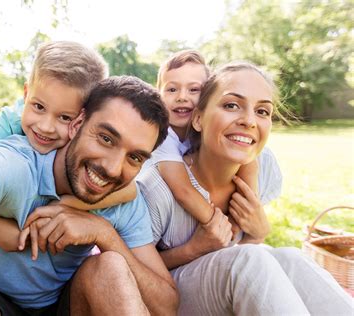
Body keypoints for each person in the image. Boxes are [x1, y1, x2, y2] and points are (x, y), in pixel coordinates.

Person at [0, 76, 179, 315]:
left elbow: (166, 305)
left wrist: (105, 235)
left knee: (111, 267)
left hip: (67, 304)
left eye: (135, 157)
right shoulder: (18, 164)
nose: (114, 169)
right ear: (76, 124)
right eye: (105, 138)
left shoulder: (124, 200)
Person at [137, 61, 353, 315]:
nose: (249, 121)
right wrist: (194, 249)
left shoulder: (263, 167)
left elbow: (246, 246)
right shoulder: (159, 185)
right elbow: (133, 269)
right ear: (198, 119)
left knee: (291, 258)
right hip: (170, 295)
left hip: (229, 282)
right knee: (251, 259)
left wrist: (257, 233)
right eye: (231, 105)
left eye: (262, 111)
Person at [0, 40, 136, 257]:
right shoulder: (11, 121)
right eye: (38, 106)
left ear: (84, 118)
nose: (45, 127)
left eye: (64, 117)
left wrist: (65, 206)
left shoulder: (85, 138)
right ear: (26, 94)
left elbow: (129, 190)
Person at [151, 50, 258, 240]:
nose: (182, 97)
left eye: (194, 90)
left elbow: (248, 160)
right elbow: (183, 190)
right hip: (157, 215)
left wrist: (247, 211)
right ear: (158, 95)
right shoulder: (162, 135)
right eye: (171, 89)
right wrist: (219, 226)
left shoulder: (208, 128)